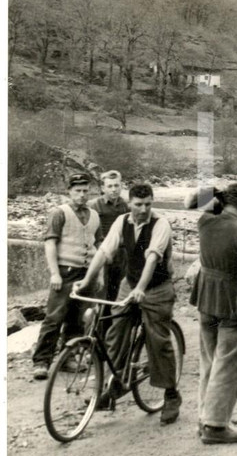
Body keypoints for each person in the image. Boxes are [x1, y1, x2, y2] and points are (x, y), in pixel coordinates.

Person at [75, 182, 182, 423]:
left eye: (148, 204)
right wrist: (85, 281)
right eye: (138, 204)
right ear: (130, 202)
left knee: (158, 340)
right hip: (130, 283)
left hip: (156, 288)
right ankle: (113, 386)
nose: (143, 209)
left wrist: (142, 289)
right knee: (115, 332)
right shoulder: (122, 221)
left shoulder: (160, 223)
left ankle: (171, 395)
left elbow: (153, 257)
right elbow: (103, 252)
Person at [190, 182, 237, 444]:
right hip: (234, 305)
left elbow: (191, 201)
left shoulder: (206, 222)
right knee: (229, 365)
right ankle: (215, 425)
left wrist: (215, 194)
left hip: (205, 299)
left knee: (209, 361)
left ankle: (204, 416)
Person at [31, 173, 100, 381]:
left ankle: (68, 358)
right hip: (64, 271)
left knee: (78, 318)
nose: (82, 195)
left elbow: (98, 246)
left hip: (86, 273)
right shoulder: (59, 213)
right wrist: (54, 273)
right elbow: (50, 243)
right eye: (77, 191)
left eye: (85, 191)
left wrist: (99, 274)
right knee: (54, 317)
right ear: (69, 191)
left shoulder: (94, 215)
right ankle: (41, 361)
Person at [88, 170, 129, 303]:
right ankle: (100, 323)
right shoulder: (94, 205)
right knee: (101, 293)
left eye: (116, 185)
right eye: (110, 186)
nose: (113, 190)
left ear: (121, 186)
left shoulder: (126, 205)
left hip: (122, 254)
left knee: (119, 293)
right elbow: (90, 232)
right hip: (102, 252)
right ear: (102, 188)